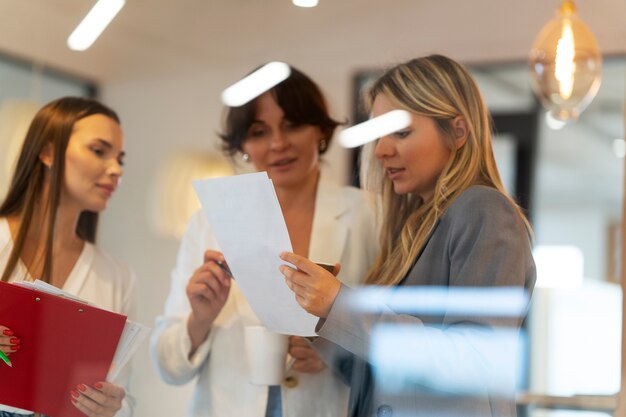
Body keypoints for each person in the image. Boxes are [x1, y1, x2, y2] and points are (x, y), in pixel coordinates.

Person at [279, 54, 537, 417]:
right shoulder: (415, 229)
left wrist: (341, 305)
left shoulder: (483, 210)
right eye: (379, 134)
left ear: (458, 132)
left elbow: (474, 362)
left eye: (401, 132)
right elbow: (390, 380)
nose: (382, 151)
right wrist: (326, 336)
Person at [150, 65, 379, 417]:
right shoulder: (210, 222)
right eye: (259, 132)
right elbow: (168, 366)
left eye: (293, 125)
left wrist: (336, 353)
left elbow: (393, 334)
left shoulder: (368, 215)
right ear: (243, 145)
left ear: (320, 130)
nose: (278, 144)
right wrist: (199, 318)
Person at [0, 97, 136, 417]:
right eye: (99, 151)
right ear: (47, 152)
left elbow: (127, 398)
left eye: (120, 159)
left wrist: (113, 408)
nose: (115, 169)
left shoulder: (118, 276)